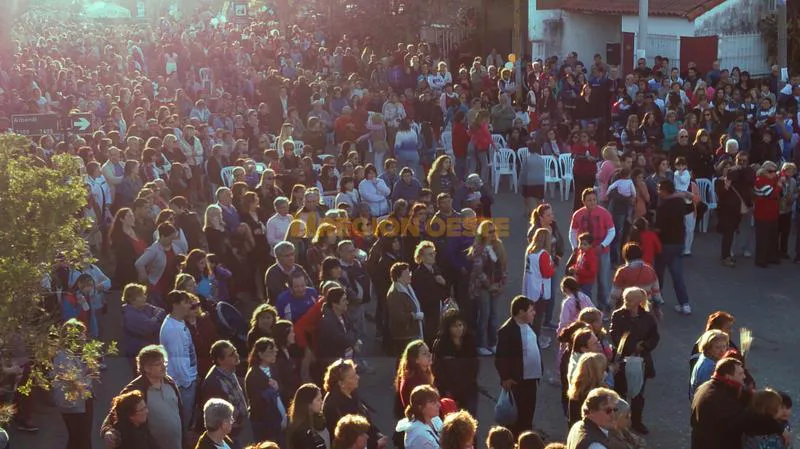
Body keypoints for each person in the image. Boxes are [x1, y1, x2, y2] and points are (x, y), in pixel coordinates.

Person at [691, 358, 789, 449]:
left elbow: (744, 396)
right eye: (740, 374)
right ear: (728, 376)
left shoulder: (713, 386)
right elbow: (747, 422)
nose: (744, 376)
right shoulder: (717, 398)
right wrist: (779, 428)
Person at [101, 345, 184, 449]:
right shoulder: (135, 389)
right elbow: (115, 412)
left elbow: (180, 413)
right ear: (146, 368)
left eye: (164, 362)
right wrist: (107, 430)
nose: (164, 367)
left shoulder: (170, 382)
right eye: (158, 364)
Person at [609, 287, 660, 435]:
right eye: (625, 299)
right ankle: (618, 422)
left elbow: (654, 337)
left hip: (641, 361)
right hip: (622, 360)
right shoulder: (618, 315)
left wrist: (644, 346)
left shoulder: (648, 318)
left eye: (630, 300)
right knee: (619, 393)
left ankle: (636, 422)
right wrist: (632, 346)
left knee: (638, 394)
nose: (626, 302)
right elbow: (615, 336)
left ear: (639, 302)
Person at [495, 296, 542, 436]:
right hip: (517, 381)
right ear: (521, 312)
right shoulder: (507, 331)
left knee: (528, 415)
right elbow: (500, 358)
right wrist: (505, 378)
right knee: (517, 419)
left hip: (531, 379)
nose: (534, 313)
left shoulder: (529, 325)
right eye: (531, 310)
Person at [322, 359, 388, 449]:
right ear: (341, 383)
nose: (358, 377)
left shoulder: (352, 394)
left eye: (355, 374)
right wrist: (374, 444)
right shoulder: (333, 406)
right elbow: (346, 438)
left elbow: (366, 420)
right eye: (352, 377)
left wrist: (378, 435)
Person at [158, 290, 199, 430]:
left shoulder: (178, 323)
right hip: (183, 385)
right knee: (182, 425)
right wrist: (188, 382)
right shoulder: (173, 329)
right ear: (175, 305)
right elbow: (178, 360)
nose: (190, 305)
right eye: (186, 302)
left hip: (186, 381)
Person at [569, 188, 614, 312]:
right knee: (583, 282)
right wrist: (575, 247)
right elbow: (572, 232)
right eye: (589, 200)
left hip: (602, 253)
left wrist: (603, 245)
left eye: (594, 199)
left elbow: (612, 231)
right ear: (583, 201)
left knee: (603, 281)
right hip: (583, 254)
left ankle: (603, 307)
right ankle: (584, 309)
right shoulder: (578, 214)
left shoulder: (605, 213)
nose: (592, 202)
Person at [654, 179, 693, 315]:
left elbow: (658, 228)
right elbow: (691, 207)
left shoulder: (663, 207)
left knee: (658, 273)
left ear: (665, 191)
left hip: (664, 244)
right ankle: (685, 304)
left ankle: (657, 300)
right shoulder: (680, 202)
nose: (658, 191)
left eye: (659, 189)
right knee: (677, 275)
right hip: (679, 243)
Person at [52, 320, 94, 449]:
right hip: (73, 404)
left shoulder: (76, 353)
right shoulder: (63, 357)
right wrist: (89, 375)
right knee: (79, 439)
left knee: (81, 438)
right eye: (82, 334)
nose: (84, 337)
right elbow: (75, 381)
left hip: (82, 401)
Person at [432, 310, 480, 416]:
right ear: (448, 328)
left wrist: (465, 386)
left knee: (469, 418)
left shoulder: (470, 341)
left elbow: (474, 367)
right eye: (455, 326)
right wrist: (447, 389)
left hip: (468, 389)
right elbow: (437, 369)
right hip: (447, 390)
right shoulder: (441, 344)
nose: (459, 329)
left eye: (460, 325)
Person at [200, 340, 248, 441]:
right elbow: (217, 416)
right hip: (229, 435)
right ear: (220, 360)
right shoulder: (214, 383)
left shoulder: (230, 371)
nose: (236, 355)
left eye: (235, 351)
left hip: (241, 428)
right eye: (231, 354)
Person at [245, 337, 288, 444]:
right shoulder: (253, 374)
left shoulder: (274, 368)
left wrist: (277, 388)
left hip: (279, 418)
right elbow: (256, 401)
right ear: (260, 354)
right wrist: (271, 391)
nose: (274, 353)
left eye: (274, 351)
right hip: (264, 422)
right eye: (270, 351)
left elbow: (281, 388)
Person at [411, 241, 449, 345]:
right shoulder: (418, 273)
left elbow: (444, 288)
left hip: (438, 307)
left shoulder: (436, 269)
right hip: (427, 310)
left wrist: (443, 283)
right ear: (422, 257)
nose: (433, 256)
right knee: (430, 335)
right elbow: (421, 294)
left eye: (434, 253)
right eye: (430, 254)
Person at [522, 228, 556, 341]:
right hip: (539, 290)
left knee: (530, 314)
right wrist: (552, 267)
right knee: (538, 316)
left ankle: (530, 336)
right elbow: (547, 273)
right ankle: (536, 338)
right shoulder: (543, 254)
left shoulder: (530, 250)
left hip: (529, 287)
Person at [121, 283, 166, 366]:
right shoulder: (130, 314)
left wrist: (155, 318)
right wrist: (157, 318)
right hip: (137, 352)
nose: (145, 297)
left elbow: (162, 311)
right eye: (141, 296)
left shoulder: (144, 307)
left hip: (148, 349)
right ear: (132, 299)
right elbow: (150, 327)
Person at [609, 243, 664, 311]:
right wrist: (658, 306)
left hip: (627, 305)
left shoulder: (622, 271)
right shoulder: (650, 270)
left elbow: (615, 294)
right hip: (645, 305)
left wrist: (609, 306)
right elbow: (656, 292)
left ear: (625, 256)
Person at [386, 262, 425, 354]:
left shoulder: (407, 288)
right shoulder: (395, 293)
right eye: (407, 274)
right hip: (404, 335)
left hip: (412, 332)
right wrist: (415, 316)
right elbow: (399, 316)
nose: (410, 275)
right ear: (399, 277)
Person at [567, 353, 609, 428]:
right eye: (603, 370)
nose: (605, 373)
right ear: (597, 373)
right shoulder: (599, 395)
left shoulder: (576, 390)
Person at [753, 161, 781, 267]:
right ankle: (761, 260)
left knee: (773, 237)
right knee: (762, 238)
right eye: (770, 171)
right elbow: (770, 194)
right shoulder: (760, 181)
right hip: (762, 215)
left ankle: (772, 257)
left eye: (774, 171)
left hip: (773, 214)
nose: (773, 173)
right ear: (764, 171)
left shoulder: (773, 179)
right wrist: (778, 186)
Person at [394, 340, 435, 412]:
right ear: (416, 360)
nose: (429, 355)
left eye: (429, 352)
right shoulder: (414, 380)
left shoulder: (424, 374)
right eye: (424, 354)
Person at [287, 383, 331, 449]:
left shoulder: (320, 420)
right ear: (308, 404)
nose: (322, 402)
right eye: (318, 400)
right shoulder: (301, 433)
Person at [689, 330, 730, 400]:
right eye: (717, 347)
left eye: (724, 346)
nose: (722, 350)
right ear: (708, 348)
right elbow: (709, 393)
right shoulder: (709, 368)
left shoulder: (706, 357)